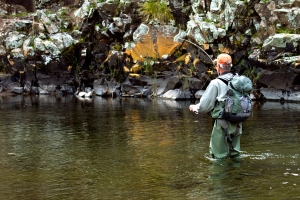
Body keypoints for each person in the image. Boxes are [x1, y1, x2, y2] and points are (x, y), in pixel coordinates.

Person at [189, 53, 242, 159]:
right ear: (230, 66)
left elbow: (204, 106)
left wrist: (195, 107)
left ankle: (218, 175)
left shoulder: (216, 83)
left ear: (218, 66)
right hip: (238, 123)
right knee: (235, 155)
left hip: (222, 123)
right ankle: (237, 174)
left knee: (218, 157)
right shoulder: (239, 81)